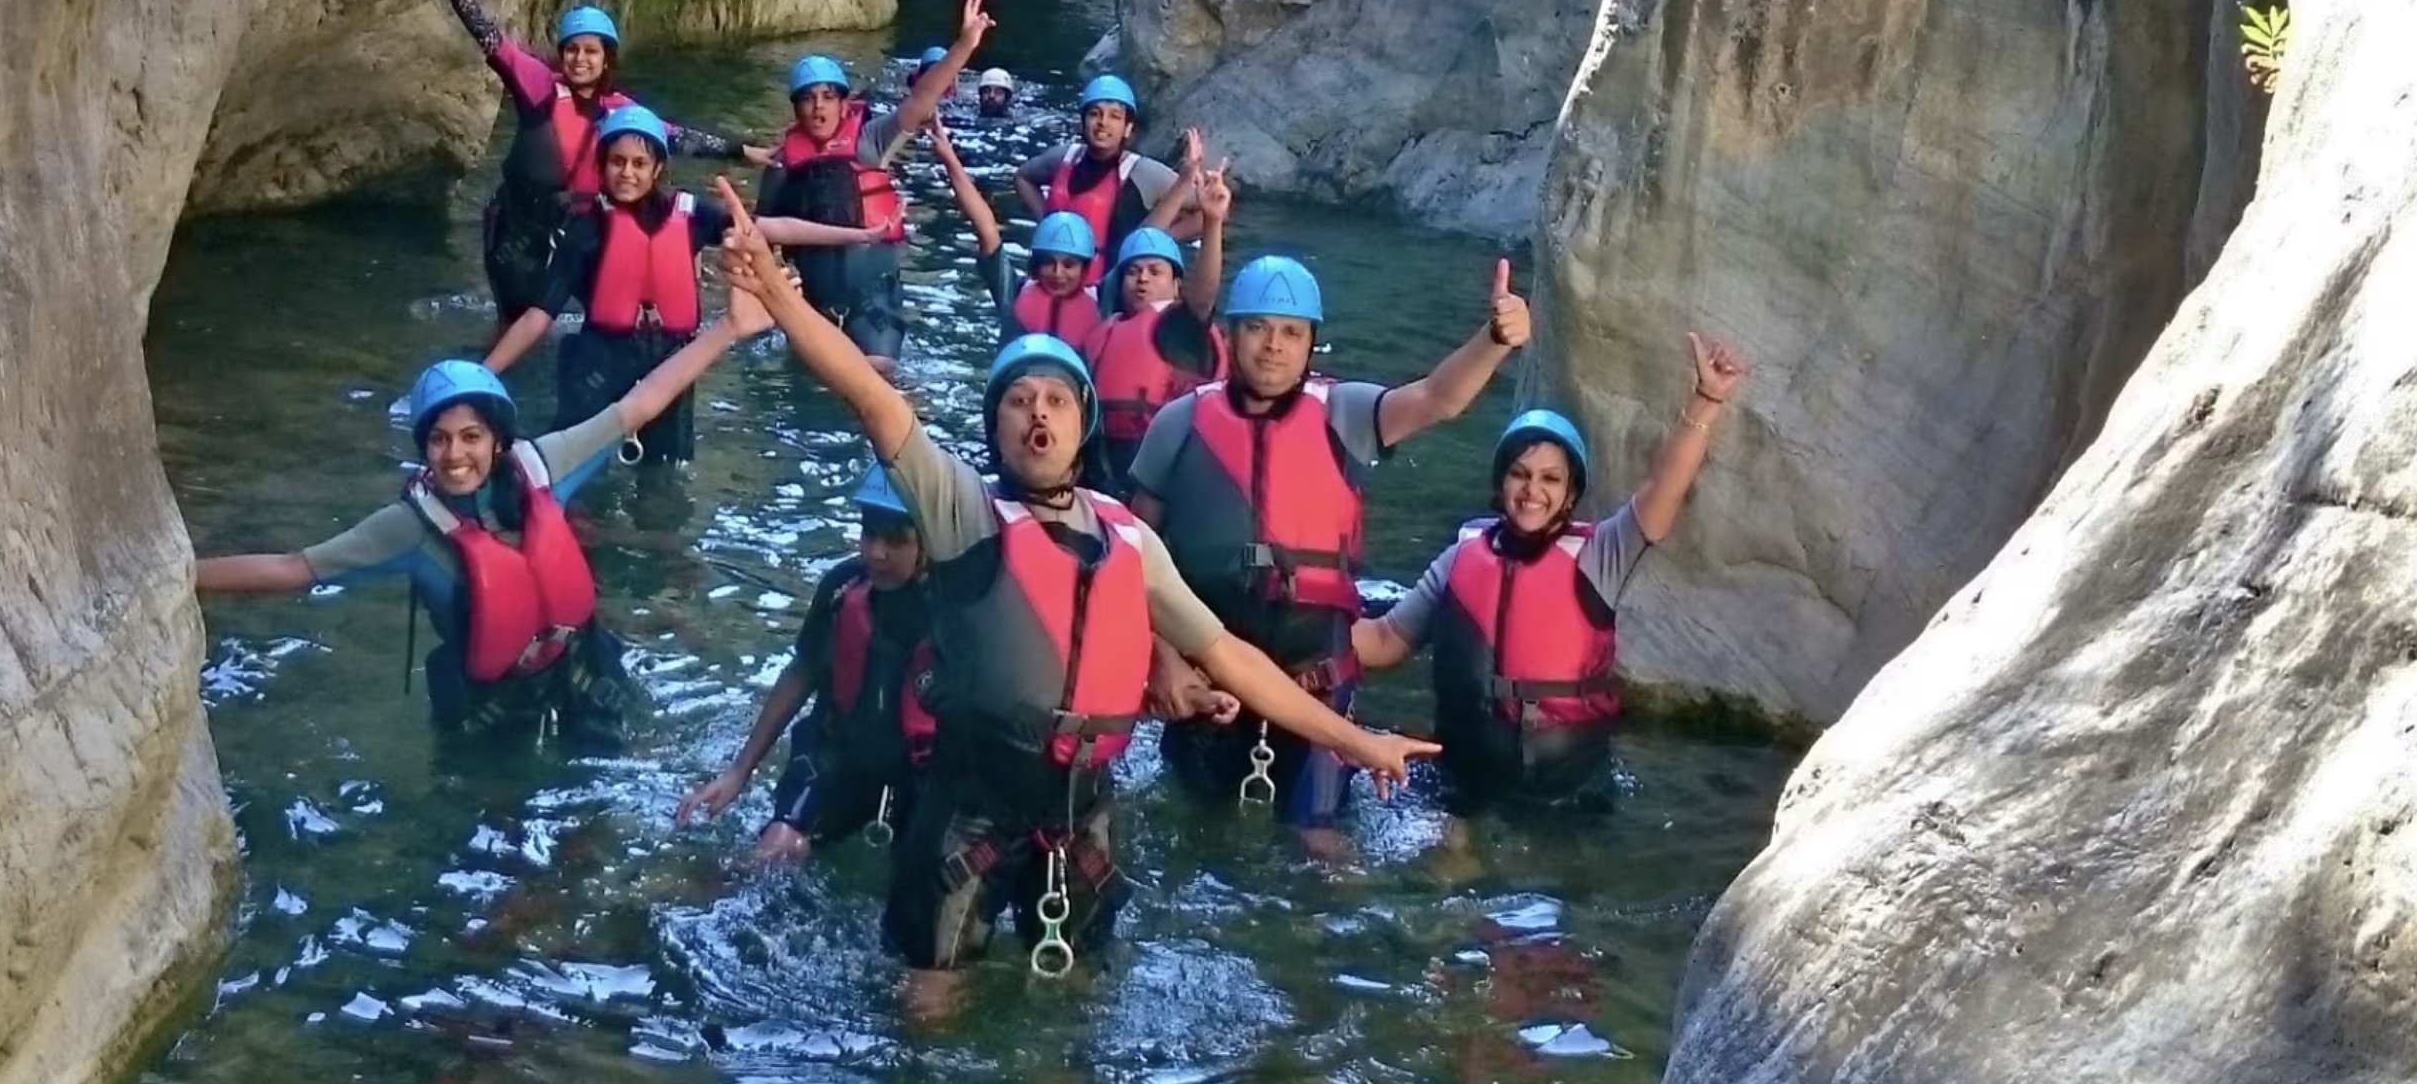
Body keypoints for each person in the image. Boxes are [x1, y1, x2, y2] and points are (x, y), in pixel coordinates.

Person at [707, 181, 1437, 993]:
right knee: (933, 996)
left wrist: (1361, 742)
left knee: (1081, 997)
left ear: (1084, 423)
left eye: (1056, 399)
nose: (1037, 415)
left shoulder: (1128, 538)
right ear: (997, 430)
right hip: (973, 802)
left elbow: (1233, 658)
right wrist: (775, 289)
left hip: (1083, 808)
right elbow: (872, 396)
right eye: (1018, 403)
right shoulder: (964, 513)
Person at [191, 299, 770, 747]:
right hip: (486, 699)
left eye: (471, 437)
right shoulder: (408, 526)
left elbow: (642, 404)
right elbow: (296, 568)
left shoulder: (544, 465)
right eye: (438, 440)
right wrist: (183, 573)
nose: (454, 455)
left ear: (498, 442)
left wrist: (728, 326)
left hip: (582, 664)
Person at [1127, 254, 1530, 854]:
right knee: (1195, 838)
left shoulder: (1344, 415)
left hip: (1318, 679)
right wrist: (1162, 659)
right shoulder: (1178, 424)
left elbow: (1437, 399)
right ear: (1231, 335)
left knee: (1319, 844)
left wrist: (1494, 340)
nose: (1273, 347)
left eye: (1291, 333)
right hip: (1208, 685)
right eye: (1258, 328)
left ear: (1312, 343)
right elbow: (1129, 560)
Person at [1352, 335, 1749, 808]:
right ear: (1500, 483)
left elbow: (1664, 490)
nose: (1531, 490)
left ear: (1570, 493)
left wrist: (1706, 401)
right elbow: (1382, 641)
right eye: (1519, 473)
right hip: (1468, 782)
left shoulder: (1601, 554)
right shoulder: (1459, 560)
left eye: (1550, 479)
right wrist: (1278, 644)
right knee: (1449, 864)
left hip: (1569, 790)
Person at [479, 106, 878, 458]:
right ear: (601, 167)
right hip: (597, 363)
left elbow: (768, 228)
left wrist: (856, 236)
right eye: (617, 162)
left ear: (657, 170)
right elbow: (538, 316)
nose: (627, 173)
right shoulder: (585, 230)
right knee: (582, 467)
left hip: (672, 362)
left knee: (663, 477)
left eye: (639, 163)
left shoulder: (690, 215)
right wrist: (485, 374)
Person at [416, 0, 745, 329]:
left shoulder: (621, 111)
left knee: (609, 317)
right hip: (517, 230)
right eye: (572, 49)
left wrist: (742, 152)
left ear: (607, 59)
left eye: (591, 51)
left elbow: (679, 137)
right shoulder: (538, 84)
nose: (579, 59)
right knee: (514, 323)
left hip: (581, 228)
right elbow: (487, 34)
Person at [675, 463, 933, 859]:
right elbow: (802, 672)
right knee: (776, 850)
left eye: (896, 540)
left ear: (929, 542)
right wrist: (740, 771)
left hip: (921, 779)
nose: (876, 553)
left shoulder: (956, 611)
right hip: (839, 757)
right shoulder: (842, 589)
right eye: (869, 534)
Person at [753, 0, 993, 374]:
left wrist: (965, 43)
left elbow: (923, 97)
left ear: (844, 105)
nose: (818, 107)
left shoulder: (871, 142)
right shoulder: (782, 165)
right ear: (796, 109)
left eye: (828, 97)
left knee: (878, 379)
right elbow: (758, 240)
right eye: (808, 99)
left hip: (874, 301)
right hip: (814, 304)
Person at [1080, 169, 1232, 498]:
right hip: (1103, 480)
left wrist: (1212, 222)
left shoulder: (1181, 327)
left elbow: (1204, 296)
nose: (1143, 279)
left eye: (1155, 271)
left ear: (1176, 285)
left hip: (1165, 484)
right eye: (1133, 272)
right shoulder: (1103, 332)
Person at [926, 116, 1101, 349]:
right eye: (1049, 263)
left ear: (1085, 269)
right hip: (1019, 381)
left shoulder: (1103, 302)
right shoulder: (1014, 293)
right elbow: (986, 228)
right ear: (1036, 264)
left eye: (1069, 265)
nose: (1058, 273)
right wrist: (949, 159)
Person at [1014, 75, 1199, 280]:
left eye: (1115, 116)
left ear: (1127, 128)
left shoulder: (1145, 174)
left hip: (1107, 289)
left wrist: (1158, 239)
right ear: (1083, 122)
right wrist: (1045, 222)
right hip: (1052, 278)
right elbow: (1023, 177)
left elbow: (1206, 211)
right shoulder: (1062, 158)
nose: (1103, 123)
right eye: (1095, 114)